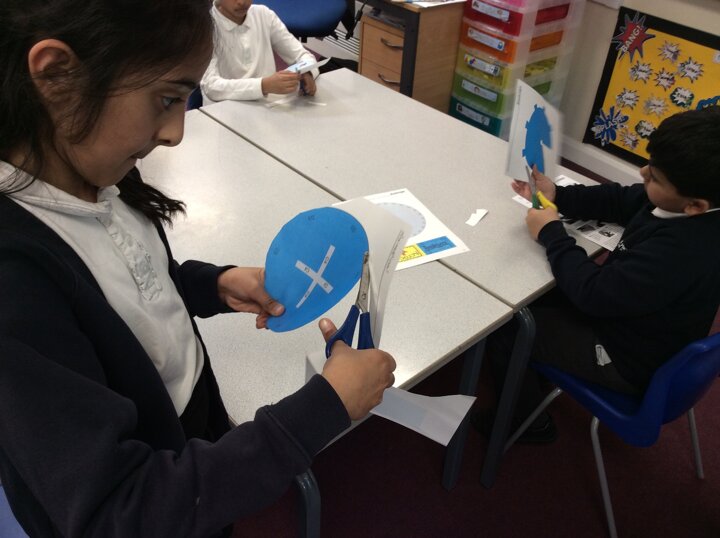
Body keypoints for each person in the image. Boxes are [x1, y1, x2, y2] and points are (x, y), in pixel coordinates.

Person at [0, 1, 396, 537]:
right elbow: (120, 510)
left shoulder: (97, 170)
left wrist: (211, 285)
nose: (175, 133)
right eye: (167, 99)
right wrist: (321, 409)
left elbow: (126, 287)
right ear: (56, 75)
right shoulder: (15, 282)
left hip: (186, 429)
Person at [473, 106, 720, 444]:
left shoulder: (685, 250)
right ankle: (535, 371)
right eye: (649, 163)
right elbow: (620, 199)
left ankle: (526, 423)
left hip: (626, 356)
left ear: (696, 205)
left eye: (654, 177)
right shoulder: (679, 204)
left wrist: (551, 232)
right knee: (538, 295)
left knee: (509, 327)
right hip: (632, 319)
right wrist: (558, 194)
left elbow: (593, 295)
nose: (643, 172)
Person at [201, 0, 319, 102]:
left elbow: (303, 55)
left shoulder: (263, 15)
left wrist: (306, 71)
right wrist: (263, 85)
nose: (242, 2)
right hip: (224, 109)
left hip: (267, 105)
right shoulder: (204, 26)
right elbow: (211, 87)